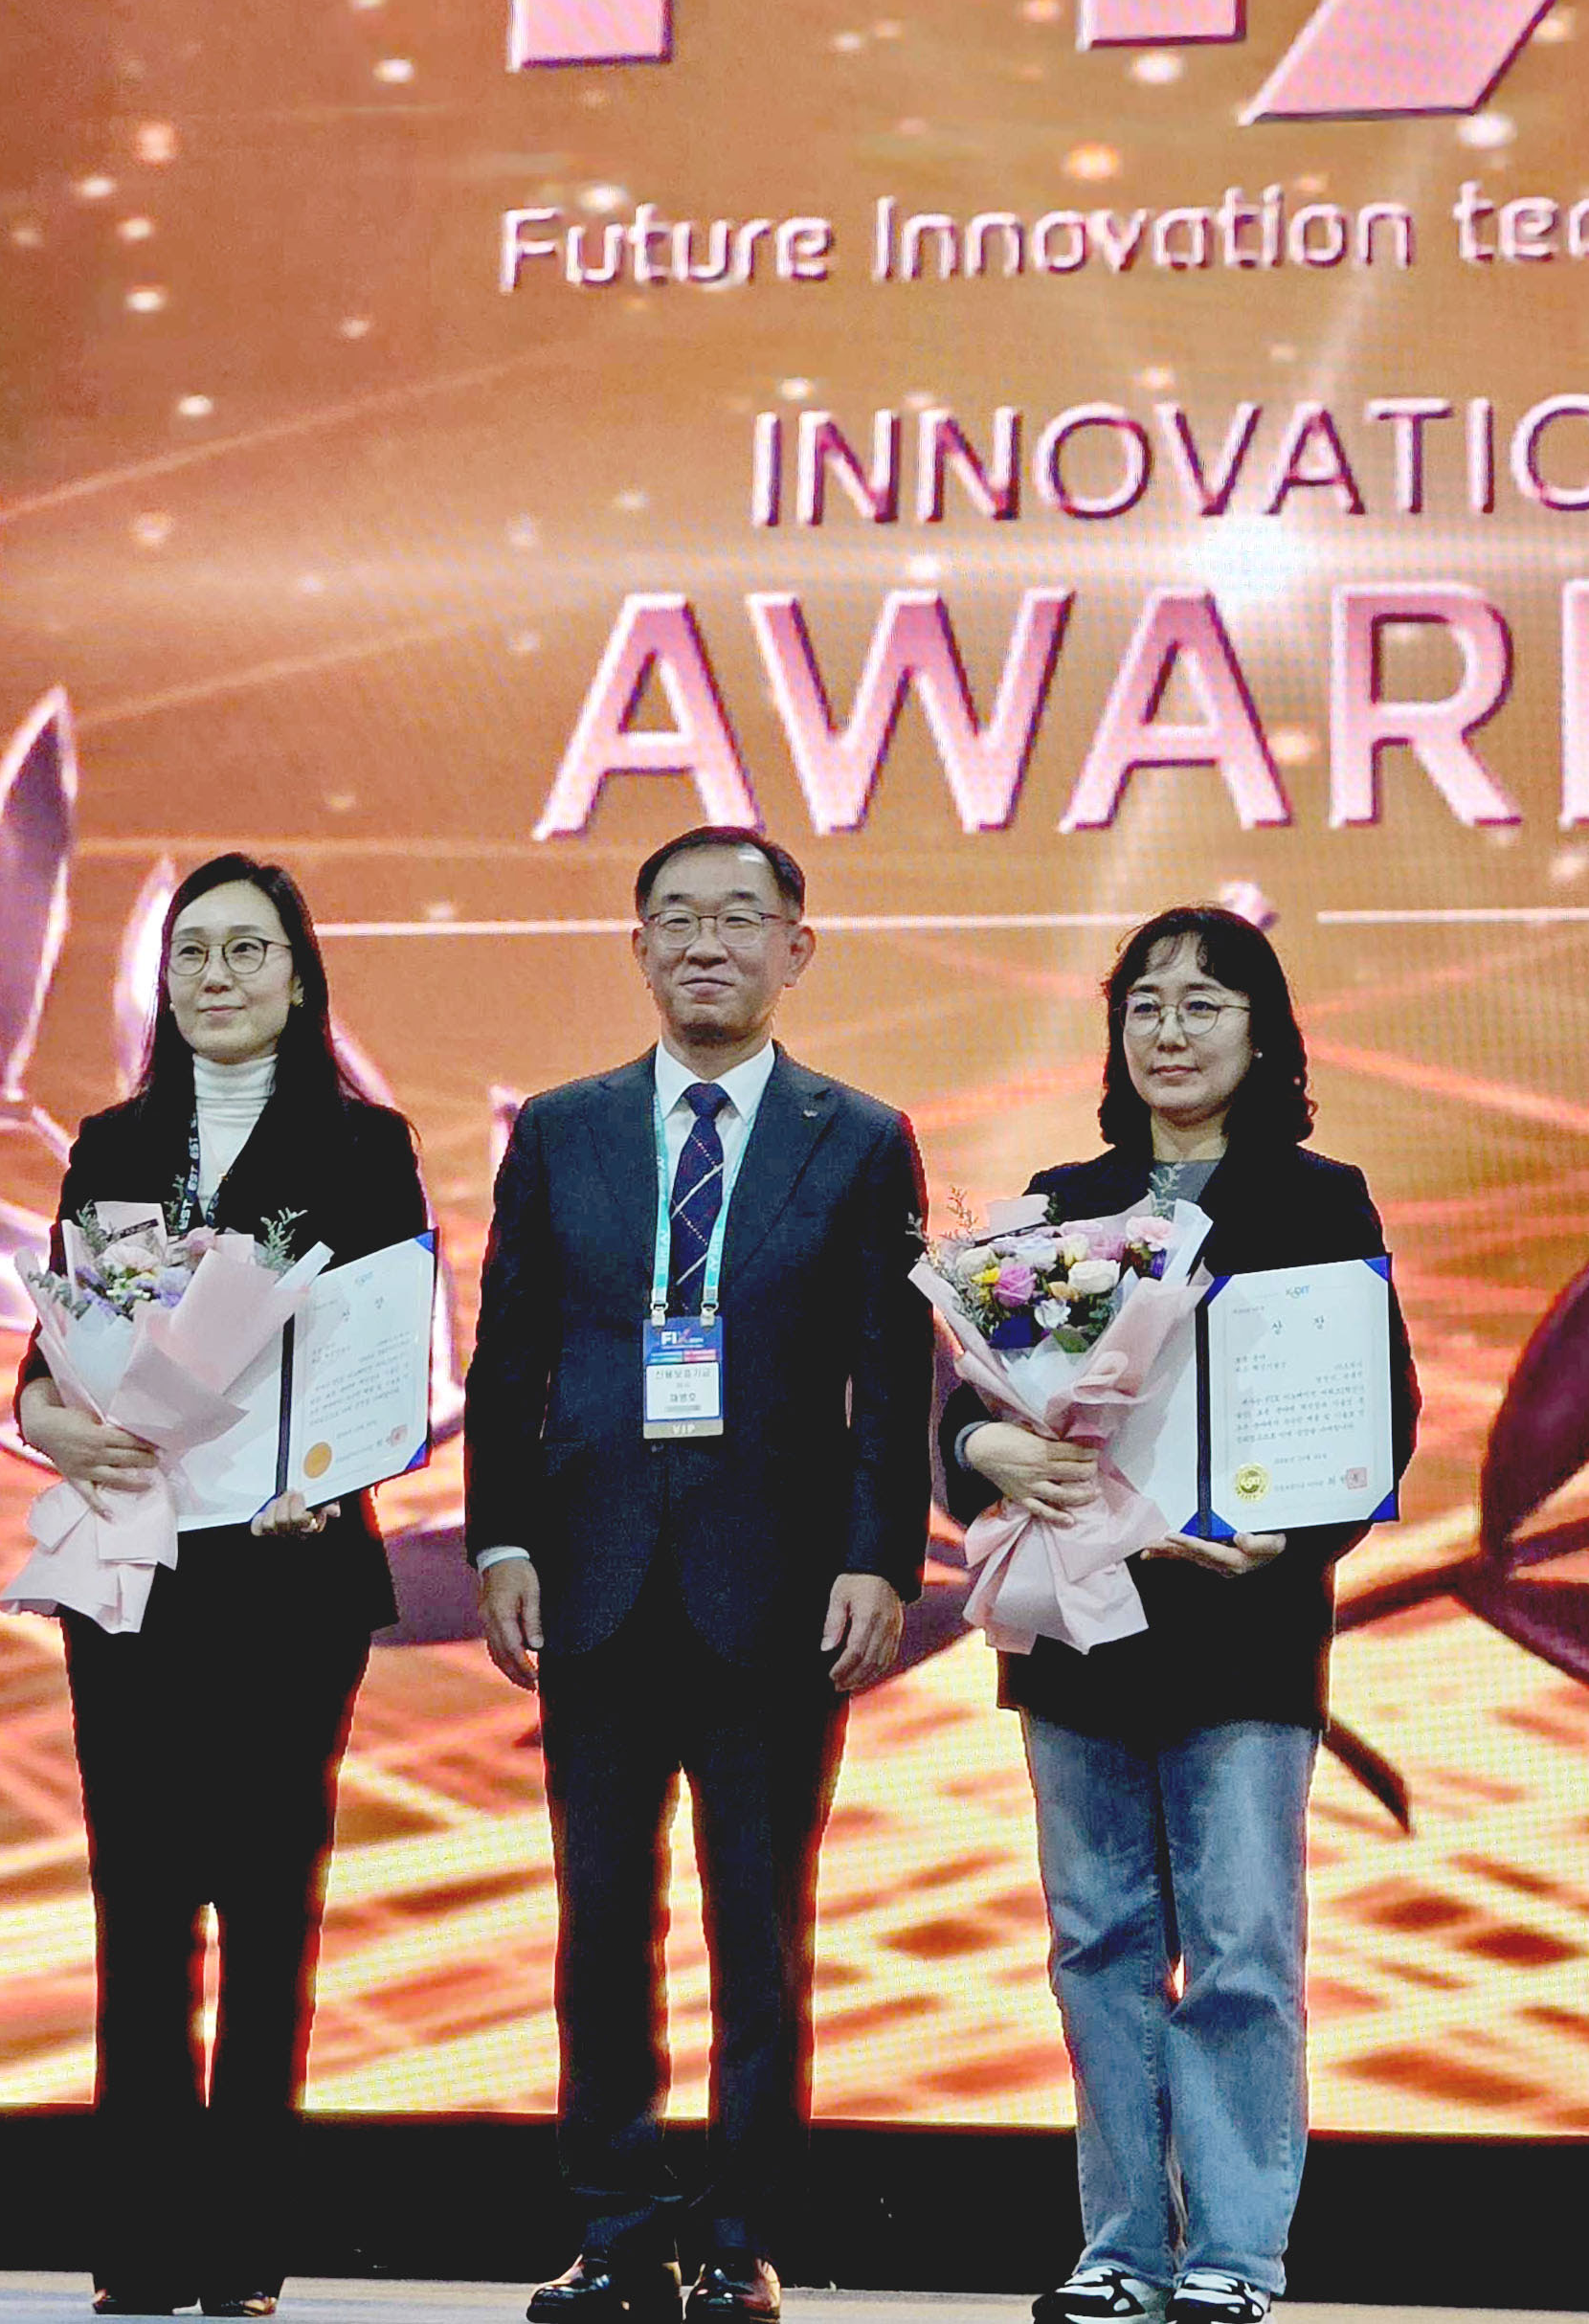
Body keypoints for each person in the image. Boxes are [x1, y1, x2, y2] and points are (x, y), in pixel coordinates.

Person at [462, 827, 930, 2324]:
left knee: (760, 1928)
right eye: (675, 918)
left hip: (778, 1592)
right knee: (602, 1920)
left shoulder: (862, 1137)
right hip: (594, 1580)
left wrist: (880, 1559)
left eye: (739, 916)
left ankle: (741, 2236)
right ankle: (616, 2229)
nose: (705, 943)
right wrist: (501, 1538)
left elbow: (889, 1373)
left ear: (797, 947)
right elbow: (510, 1354)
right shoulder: (564, 1129)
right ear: (639, 948)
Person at [940, 905, 1421, 2324]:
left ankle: (1234, 2256)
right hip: (1083, 1625)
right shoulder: (1060, 1202)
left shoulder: (1319, 1201)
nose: (1170, 1029)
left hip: (1242, 1630)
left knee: (1240, 1949)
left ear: (1262, 1036)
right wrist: (984, 1447)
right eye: (1145, 1002)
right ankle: (1121, 2247)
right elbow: (969, 1405)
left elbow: (1376, 1411)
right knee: (1095, 1942)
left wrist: (1295, 1535)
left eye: (1204, 1003)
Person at [15, 853, 426, 2319]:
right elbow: (46, 1358)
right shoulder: (113, 1144)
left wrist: (335, 1465)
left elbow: (386, 1349)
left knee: (265, 1906)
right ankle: (141, 2245)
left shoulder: (362, 1146)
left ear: (299, 978)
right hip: (133, 1568)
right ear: (165, 977)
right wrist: (50, 1422)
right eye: (194, 950)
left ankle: (242, 2247)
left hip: (285, 1574)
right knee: (138, 1906)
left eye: (249, 949)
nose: (218, 975)